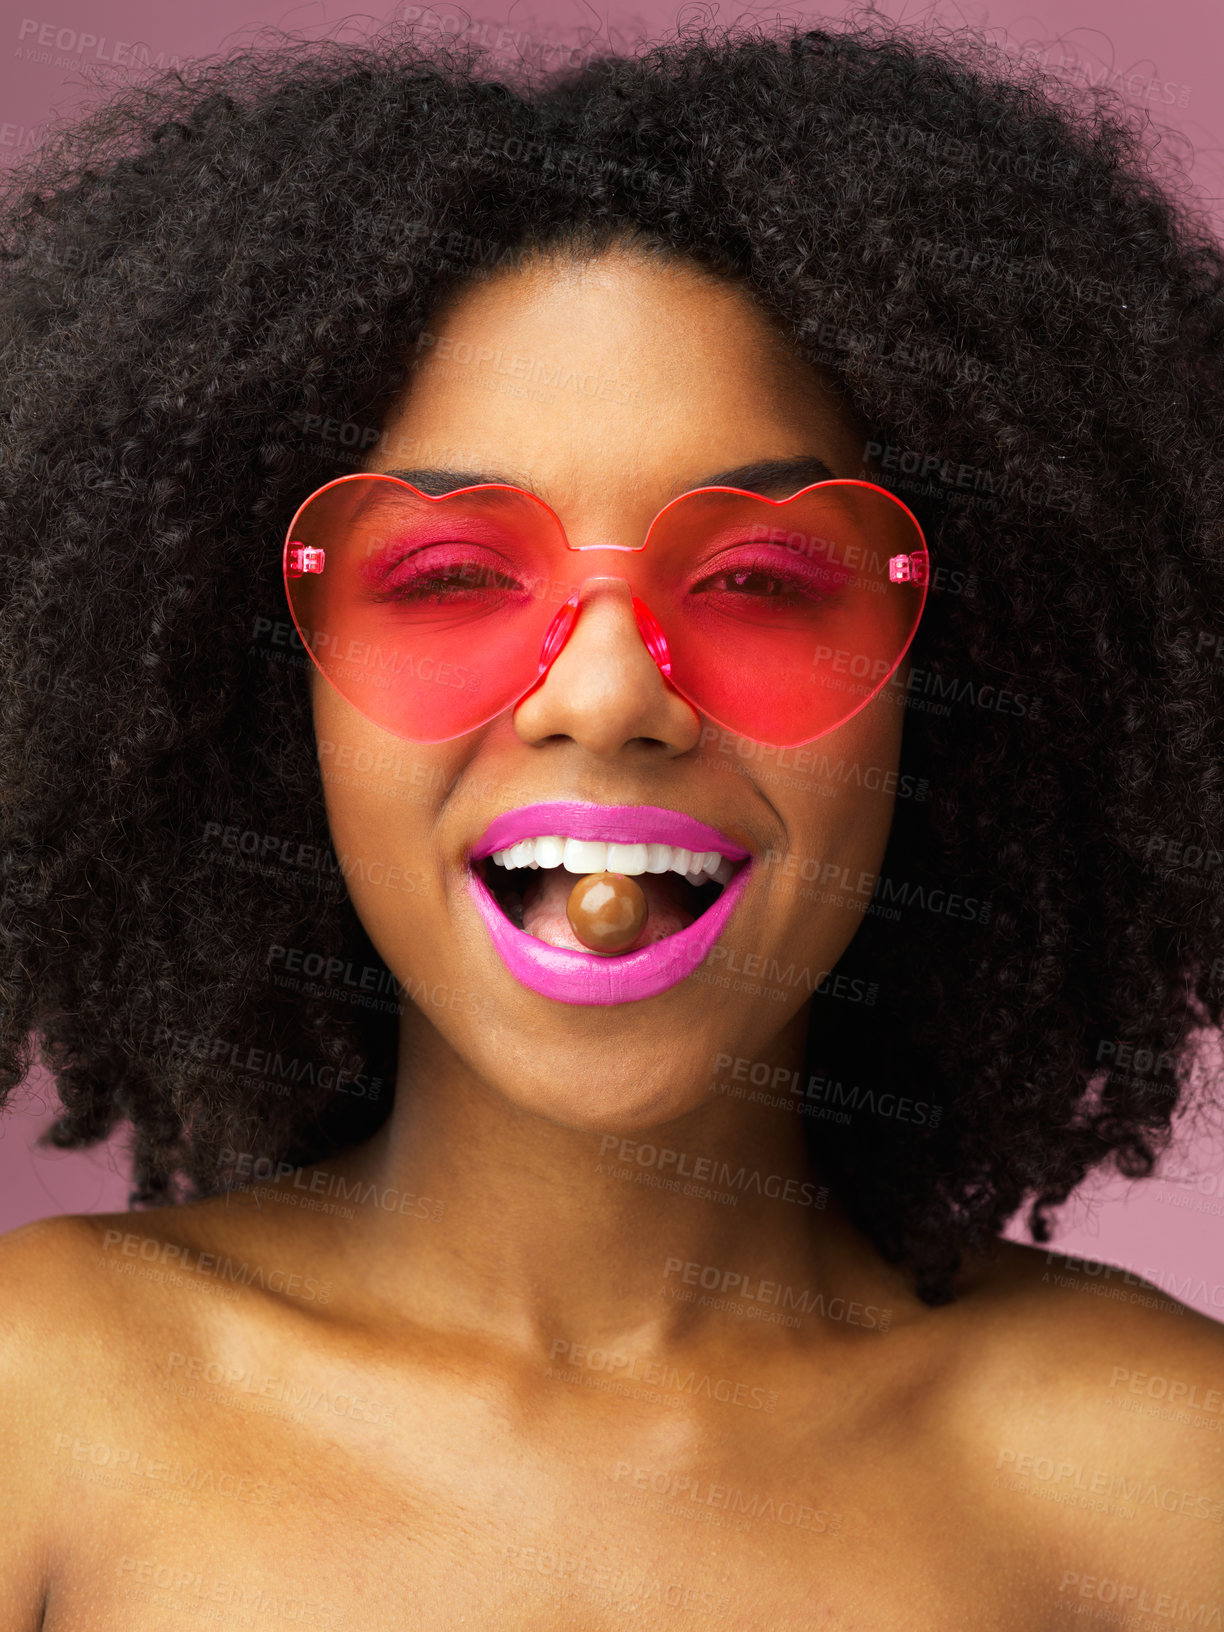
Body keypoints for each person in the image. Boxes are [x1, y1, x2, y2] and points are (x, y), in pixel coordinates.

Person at [1, 17, 1222, 1626]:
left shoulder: (1161, 1480)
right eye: (446, 576)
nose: (604, 695)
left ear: (973, 676)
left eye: (760, 583)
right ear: (239, 688)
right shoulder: (40, 1416)